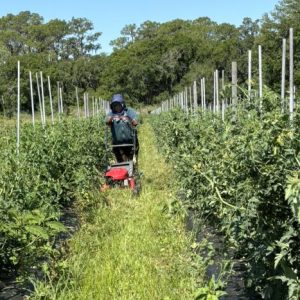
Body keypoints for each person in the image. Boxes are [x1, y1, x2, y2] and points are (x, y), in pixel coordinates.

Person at [106, 94, 139, 163]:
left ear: (122, 104)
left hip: (131, 143)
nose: (117, 107)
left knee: (132, 162)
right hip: (118, 144)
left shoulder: (129, 111)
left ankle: (134, 171)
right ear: (112, 106)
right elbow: (107, 121)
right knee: (121, 163)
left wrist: (131, 120)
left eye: (118, 105)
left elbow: (135, 121)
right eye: (115, 105)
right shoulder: (111, 114)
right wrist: (110, 120)